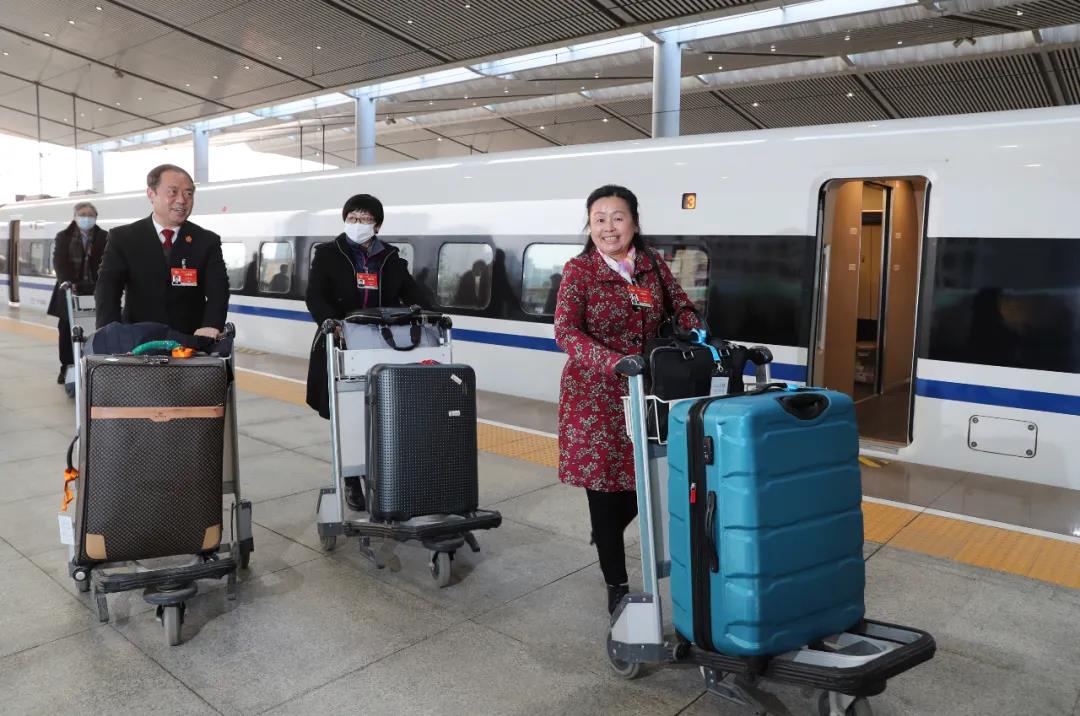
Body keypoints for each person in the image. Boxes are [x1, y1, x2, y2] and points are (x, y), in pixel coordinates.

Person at [554, 184, 699, 615]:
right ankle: (616, 585)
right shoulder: (579, 271)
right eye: (599, 219)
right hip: (594, 398)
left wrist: (692, 330)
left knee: (647, 481)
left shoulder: (652, 265)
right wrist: (614, 361)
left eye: (617, 218)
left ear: (634, 222)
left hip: (649, 393)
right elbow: (566, 331)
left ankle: (607, 533)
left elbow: (682, 307)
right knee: (603, 489)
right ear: (589, 225)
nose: (608, 227)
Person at [305, 193, 426, 511]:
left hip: (380, 344)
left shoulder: (390, 258)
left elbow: (411, 291)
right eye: (352, 218)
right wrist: (331, 322)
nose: (357, 223)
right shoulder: (328, 254)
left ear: (377, 225)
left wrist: (428, 311)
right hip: (342, 342)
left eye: (365, 218)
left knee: (382, 411)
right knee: (347, 411)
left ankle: (380, 472)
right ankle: (351, 478)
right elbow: (314, 295)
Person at [94, 164, 228, 339]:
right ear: (151, 194)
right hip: (137, 342)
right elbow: (107, 290)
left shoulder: (206, 241)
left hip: (190, 343)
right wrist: (109, 333)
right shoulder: (124, 238)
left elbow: (219, 291)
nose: (182, 200)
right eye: (173, 192)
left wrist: (211, 325)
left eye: (188, 193)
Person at [46, 202, 108, 384]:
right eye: (82, 214)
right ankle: (66, 367)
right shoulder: (63, 236)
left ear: (95, 217)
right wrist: (66, 281)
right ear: (75, 217)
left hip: (95, 290)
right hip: (69, 290)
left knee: (96, 328)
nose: (86, 218)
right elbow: (59, 261)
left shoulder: (105, 236)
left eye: (90, 214)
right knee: (66, 330)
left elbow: (108, 261)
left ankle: (93, 365)